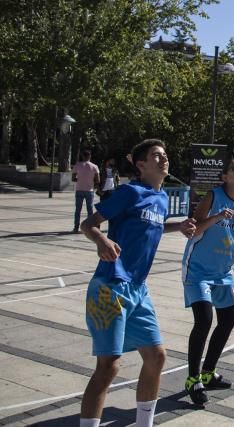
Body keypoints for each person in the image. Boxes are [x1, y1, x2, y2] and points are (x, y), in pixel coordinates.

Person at [79, 139, 197, 427]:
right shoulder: (129, 192)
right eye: (156, 155)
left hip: (138, 290)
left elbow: (152, 225)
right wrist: (101, 239)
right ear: (140, 164)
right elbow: (88, 224)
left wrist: (177, 226)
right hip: (109, 287)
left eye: (165, 155)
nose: (163, 159)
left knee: (156, 357)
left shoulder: (160, 198)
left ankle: (144, 423)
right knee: (108, 367)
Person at [181, 157, 234, 406]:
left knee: (228, 321)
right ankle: (193, 379)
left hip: (223, 273)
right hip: (198, 269)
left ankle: (208, 372)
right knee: (204, 321)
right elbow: (194, 228)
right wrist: (217, 216)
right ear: (224, 176)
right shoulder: (212, 197)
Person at [72, 150, 101, 232]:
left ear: (82, 156)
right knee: (90, 209)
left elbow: (73, 178)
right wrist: (92, 183)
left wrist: (80, 179)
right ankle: (91, 226)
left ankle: (76, 227)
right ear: (90, 156)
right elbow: (98, 180)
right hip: (89, 190)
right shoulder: (94, 166)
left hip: (79, 189)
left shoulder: (77, 165)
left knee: (78, 209)